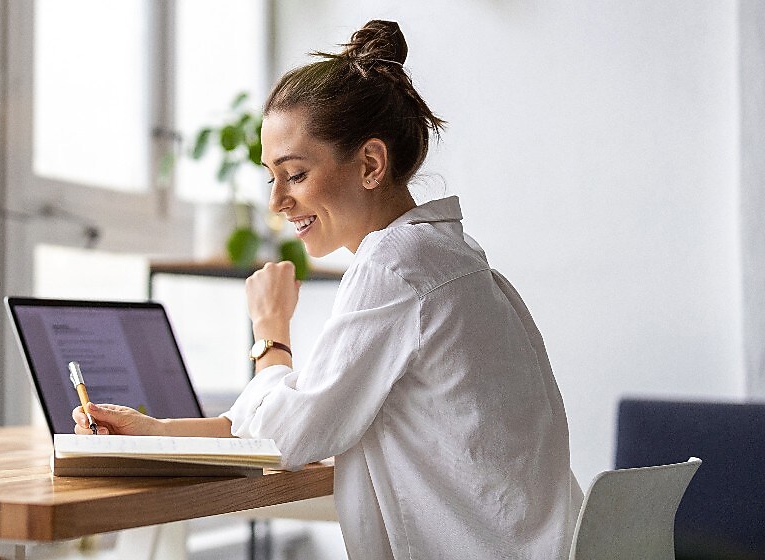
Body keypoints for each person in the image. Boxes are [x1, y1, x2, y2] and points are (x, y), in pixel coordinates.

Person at [72, 19, 583, 559]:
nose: (277, 202)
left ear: (369, 164)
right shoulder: (452, 260)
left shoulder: (395, 267)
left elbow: (286, 436)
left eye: (294, 174)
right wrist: (155, 431)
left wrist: (270, 332)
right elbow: (302, 412)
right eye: (271, 177)